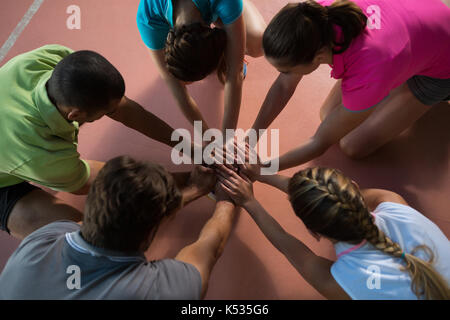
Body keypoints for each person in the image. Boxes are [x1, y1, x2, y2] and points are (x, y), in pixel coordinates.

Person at [0, 44, 185, 239]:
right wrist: (180, 181)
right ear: (75, 114)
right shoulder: (38, 152)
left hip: (15, 146)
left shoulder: (53, 59)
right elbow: (92, 181)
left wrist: (187, 146)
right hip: (7, 180)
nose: (115, 111)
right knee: (86, 240)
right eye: (107, 112)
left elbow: (125, 109)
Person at [215, 147, 450, 299]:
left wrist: (248, 201)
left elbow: (288, 245)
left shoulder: (345, 282)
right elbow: (332, 198)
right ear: (355, 186)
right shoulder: (392, 203)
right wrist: (262, 174)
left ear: (314, 233)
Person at [250, 0, 450, 171]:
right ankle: (393, 78)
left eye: (287, 70)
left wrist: (264, 169)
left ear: (318, 57)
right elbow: (284, 87)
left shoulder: (369, 69)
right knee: (327, 115)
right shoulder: (313, 17)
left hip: (439, 66)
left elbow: (320, 142)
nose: (284, 75)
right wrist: (250, 139)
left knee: (352, 145)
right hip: (415, 18)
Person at [0, 156, 237, 299]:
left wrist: (194, 190)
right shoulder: (159, 290)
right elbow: (210, 246)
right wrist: (228, 198)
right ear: (147, 237)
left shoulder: (41, 241)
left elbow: (120, 218)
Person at [136, 0, 267, 134]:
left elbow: (236, 72)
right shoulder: (148, 17)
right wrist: (206, 135)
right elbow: (172, 82)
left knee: (258, 44)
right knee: (180, 75)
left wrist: (227, 138)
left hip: (223, 4)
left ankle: (233, 18)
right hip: (206, 10)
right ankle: (228, 35)